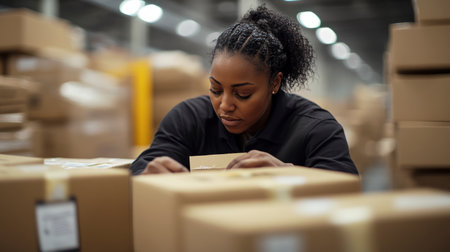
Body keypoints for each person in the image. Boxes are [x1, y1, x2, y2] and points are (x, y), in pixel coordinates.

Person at [131, 5, 358, 175]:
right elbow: (144, 166)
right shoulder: (188, 119)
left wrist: (290, 173)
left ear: (275, 83)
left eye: (243, 94)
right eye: (216, 89)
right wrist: (153, 172)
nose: (225, 105)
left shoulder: (316, 129)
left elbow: (346, 191)